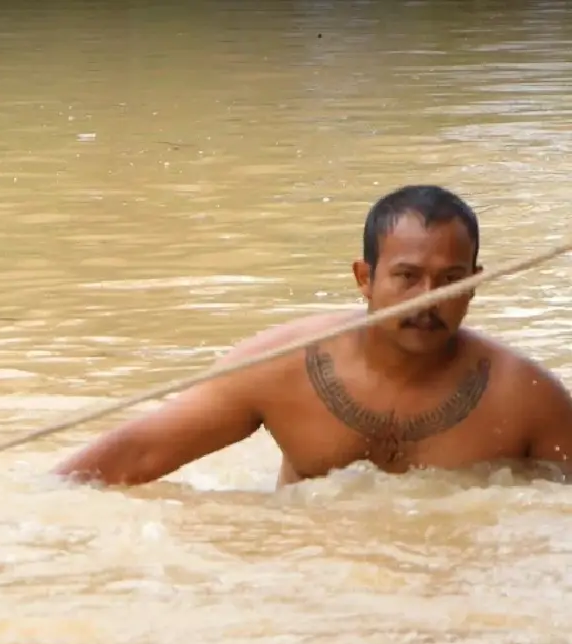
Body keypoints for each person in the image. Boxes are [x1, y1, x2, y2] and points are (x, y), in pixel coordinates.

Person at [53, 184, 572, 487]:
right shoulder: (280, 365)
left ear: (475, 284)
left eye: (450, 280)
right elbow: (134, 457)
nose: (428, 298)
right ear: (365, 278)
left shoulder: (526, 399)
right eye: (407, 277)